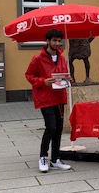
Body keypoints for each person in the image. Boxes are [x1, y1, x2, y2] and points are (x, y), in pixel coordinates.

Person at [25, 28, 72, 173]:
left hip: (59, 97)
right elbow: (29, 75)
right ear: (48, 41)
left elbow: (63, 75)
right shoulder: (38, 58)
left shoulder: (62, 58)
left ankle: (56, 159)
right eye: (54, 40)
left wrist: (68, 79)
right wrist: (42, 81)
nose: (57, 43)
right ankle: (43, 156)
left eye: (59, 41)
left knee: (58, 128)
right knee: (50, 127)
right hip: (45, 98)